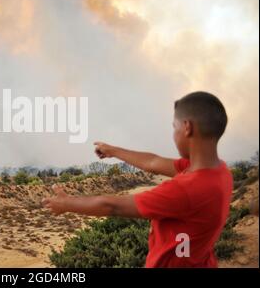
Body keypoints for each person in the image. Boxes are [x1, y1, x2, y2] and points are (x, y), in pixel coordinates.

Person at [42, 91, 233, 268]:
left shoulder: (187, 189)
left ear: (187, 128)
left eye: (174, 127)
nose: (173, 134)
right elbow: (153, 162)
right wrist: (113, 151)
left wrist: (66, 203)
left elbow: (111, 206)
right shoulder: (220, 171)